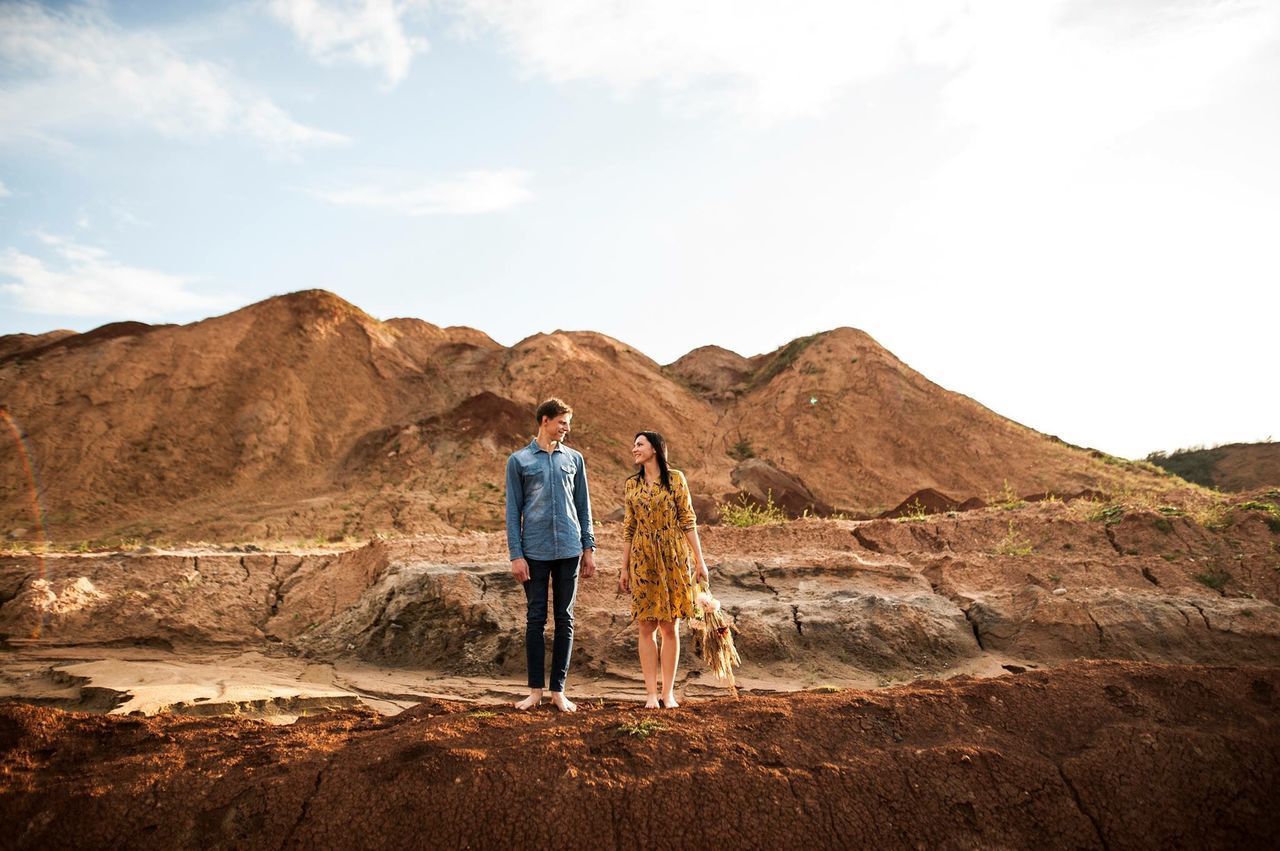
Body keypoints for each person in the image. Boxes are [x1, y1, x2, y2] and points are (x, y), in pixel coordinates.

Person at [505, 398, 596, 712]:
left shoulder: (575, 459)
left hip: (570, 549)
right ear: (545, 420)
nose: (567, 428)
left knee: (565, 620)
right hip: (534, 552)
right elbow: (512, 511)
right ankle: (534, 692)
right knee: (535, 619)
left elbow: (583, 507)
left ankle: (558, 691)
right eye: (562, 422)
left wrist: (589, 548)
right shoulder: (519, 461)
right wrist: (516, 555)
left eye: (568, 423)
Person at [617, 431, 709, 709]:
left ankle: (667, 692)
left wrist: (700, 561)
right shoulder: (631, 484)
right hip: (643, 557)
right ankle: (649, 694)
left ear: (655, 449)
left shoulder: (676, 479)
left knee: (670, 626)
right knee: (646, 625)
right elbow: (629, 527)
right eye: (634, 444)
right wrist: (623, 567)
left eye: (639, 444)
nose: (634, 449)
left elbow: (688, 520)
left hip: (673, 556)